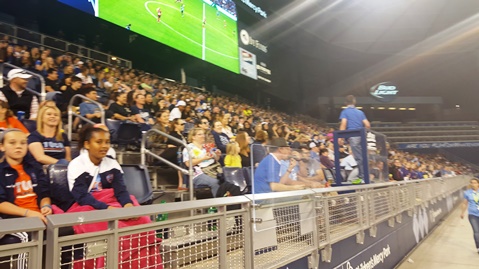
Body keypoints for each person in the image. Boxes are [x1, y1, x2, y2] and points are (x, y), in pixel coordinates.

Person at [68, 125, 133, 209]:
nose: (104, 146)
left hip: (111, 202)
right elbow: (81, 196)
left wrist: (127, 204)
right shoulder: (76, 165)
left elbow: (120, 190)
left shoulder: (113, 163)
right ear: (87, 144)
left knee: (138, 214)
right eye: (99, 142)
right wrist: (106, 208)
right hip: (88, 205)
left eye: (107, 142)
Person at [339, 95, 370, 181]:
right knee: (363, 156)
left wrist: (340, 137)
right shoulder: (360, 112)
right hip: (362, 136)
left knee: (358, 157)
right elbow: (367, 125)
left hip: (353, 136)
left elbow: (343, 124)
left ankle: (362, 177)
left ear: (346, 103)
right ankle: (364, 175)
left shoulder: (345, 112)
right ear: (354, 102)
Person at [182, 128, 220, 197]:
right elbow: (188, 163)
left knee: (227, 180)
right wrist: (203, 158)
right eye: (200, 134)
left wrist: (217, 155)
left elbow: (215, 159)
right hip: (198, 173)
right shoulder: (188, 148)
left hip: (213, 169)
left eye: (203, 134)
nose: (203, 136)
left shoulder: (207, 147)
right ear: (193, 137)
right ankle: (219, 206)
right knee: (215, 182)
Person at [461, 178, 479, 254]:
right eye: (472, 183)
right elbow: (465, 203)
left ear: (478, 183)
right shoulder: (467, 193)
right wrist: (462, 212)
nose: (473, 184)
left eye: (475, 183)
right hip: (472, 214)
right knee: (476, 231)